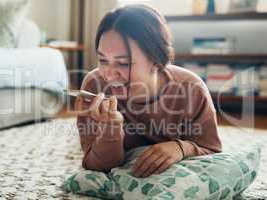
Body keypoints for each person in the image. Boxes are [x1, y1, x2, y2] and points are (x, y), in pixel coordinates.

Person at [75, 4, 222, 178]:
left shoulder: (191, 90)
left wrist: (181, 148)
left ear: (157, 61)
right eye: (102, 60)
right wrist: (110, 128)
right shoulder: (95, 85)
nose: (108, 74)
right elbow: (96, 166)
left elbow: (214, 155)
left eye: (123, 63)